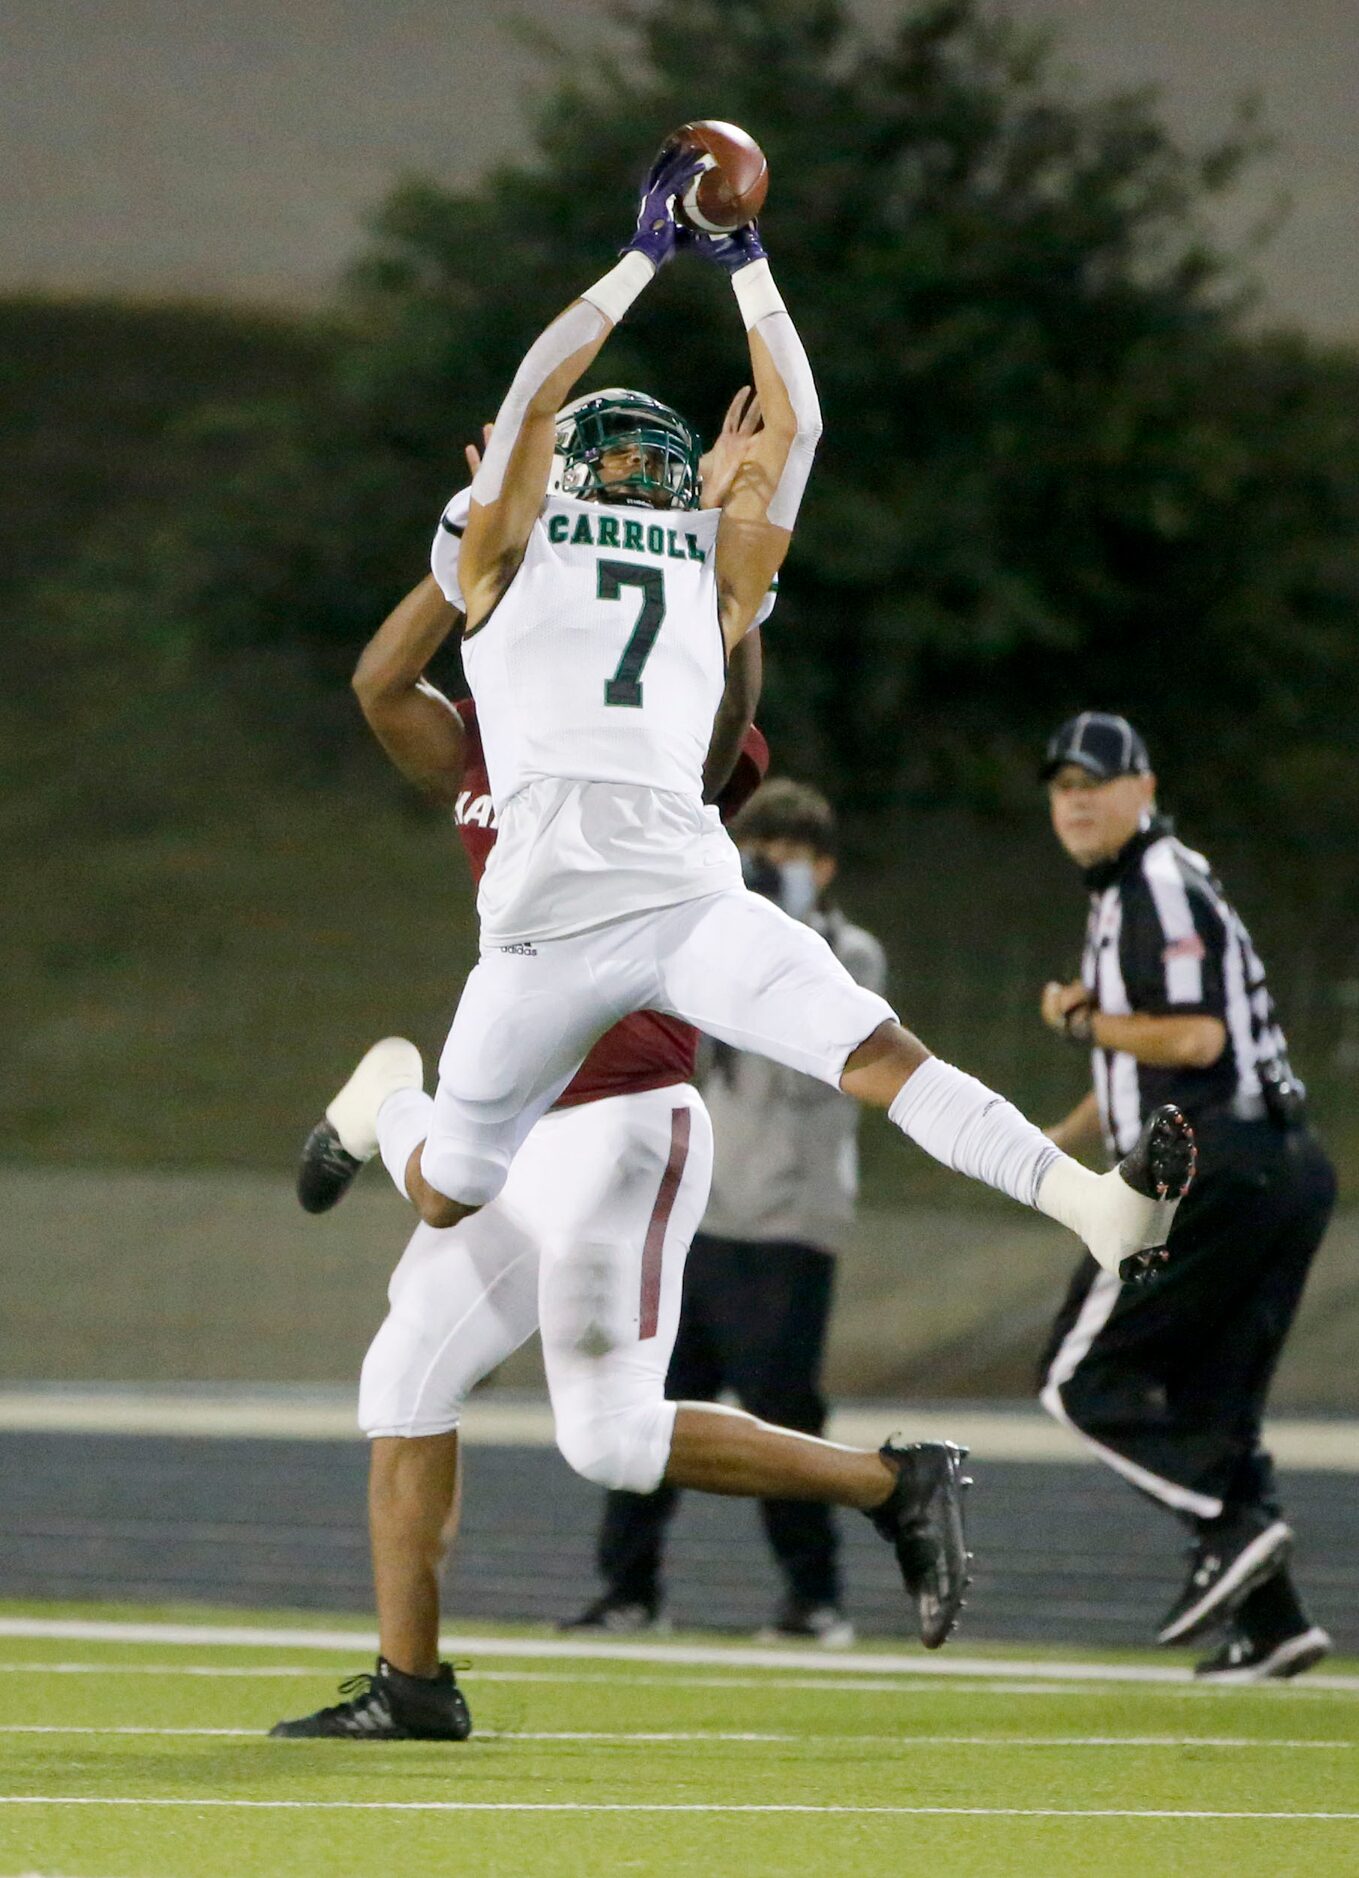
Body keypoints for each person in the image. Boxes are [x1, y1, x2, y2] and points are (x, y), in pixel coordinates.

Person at [296, 140, 1194, 1666]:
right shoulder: (691, 561)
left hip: (609, 914)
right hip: (615, 920)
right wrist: (742, 267)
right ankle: (391, 1104)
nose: (650, 474)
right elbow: (799, 417)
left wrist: (648, 256)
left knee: (845, 1060)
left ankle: (1100, 1207)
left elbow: (529, 395)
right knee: (510, 1168)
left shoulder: (505, 542)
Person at [273, 404, 770, 1740]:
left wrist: (721, 571)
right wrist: (471, 545)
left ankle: (386, 1101)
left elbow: (721, 735)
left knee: (606, 1427)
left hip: (616, 1099)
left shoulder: (652, 719)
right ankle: (412, 1686)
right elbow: (381, 685)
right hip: (515, 1105)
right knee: (402, 1372)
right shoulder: (490, 732)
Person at [1037, 712, 1336, 1682]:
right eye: (1061, 784)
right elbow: (1154, 1048)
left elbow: (1193, 1040)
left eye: (1096, 780)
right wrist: (1062, 1134)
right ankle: (1276, 1621)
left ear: (1144, 788)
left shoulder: (1154, 884)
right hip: (1277, 1163)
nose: (1075, 798)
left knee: (1076, 1380)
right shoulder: (1145, 885)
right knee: (1216, 1410)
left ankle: (1231, 1524)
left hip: (1211, 1155)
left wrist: (1085, 1017)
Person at [567, 779, 885, 1645]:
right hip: (704, 1217)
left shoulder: (850, 954)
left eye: (787, 857)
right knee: (656, 1399)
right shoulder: (710, 942)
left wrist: (774, 937)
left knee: (784, 1410)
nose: (769, 869)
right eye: (758, 853)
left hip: (789, 1225)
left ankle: (813, 1599)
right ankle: (630, 1591)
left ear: (824, 867)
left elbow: (802, 1060)